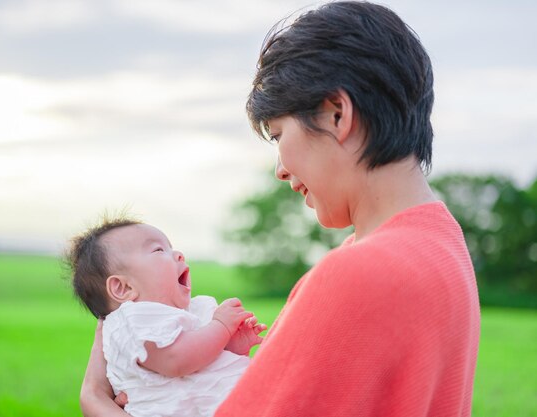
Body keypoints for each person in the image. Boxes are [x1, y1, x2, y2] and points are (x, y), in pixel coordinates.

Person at [79, 1, 480, 416]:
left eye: (279, 134)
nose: (280, 170)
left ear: (337, 114)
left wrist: (97, 404)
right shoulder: (442, 245)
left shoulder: (359, 274)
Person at [67, 217, 266, 417]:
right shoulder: (134, 320)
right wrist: (221, 327)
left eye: (171, 248)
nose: (179, 255)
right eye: (159, 250)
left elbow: (200, 363)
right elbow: (175, 360)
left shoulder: (186, 314)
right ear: (123, 287)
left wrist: (230, 348)